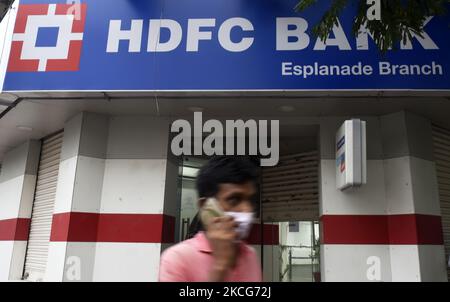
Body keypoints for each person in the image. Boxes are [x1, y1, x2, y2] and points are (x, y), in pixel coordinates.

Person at [159, 156, 262, 282]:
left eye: (250, 200)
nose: (247, 210)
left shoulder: (250, 254)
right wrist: (220, 266)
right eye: (234, 200)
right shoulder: (177, 258)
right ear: (205, 206)